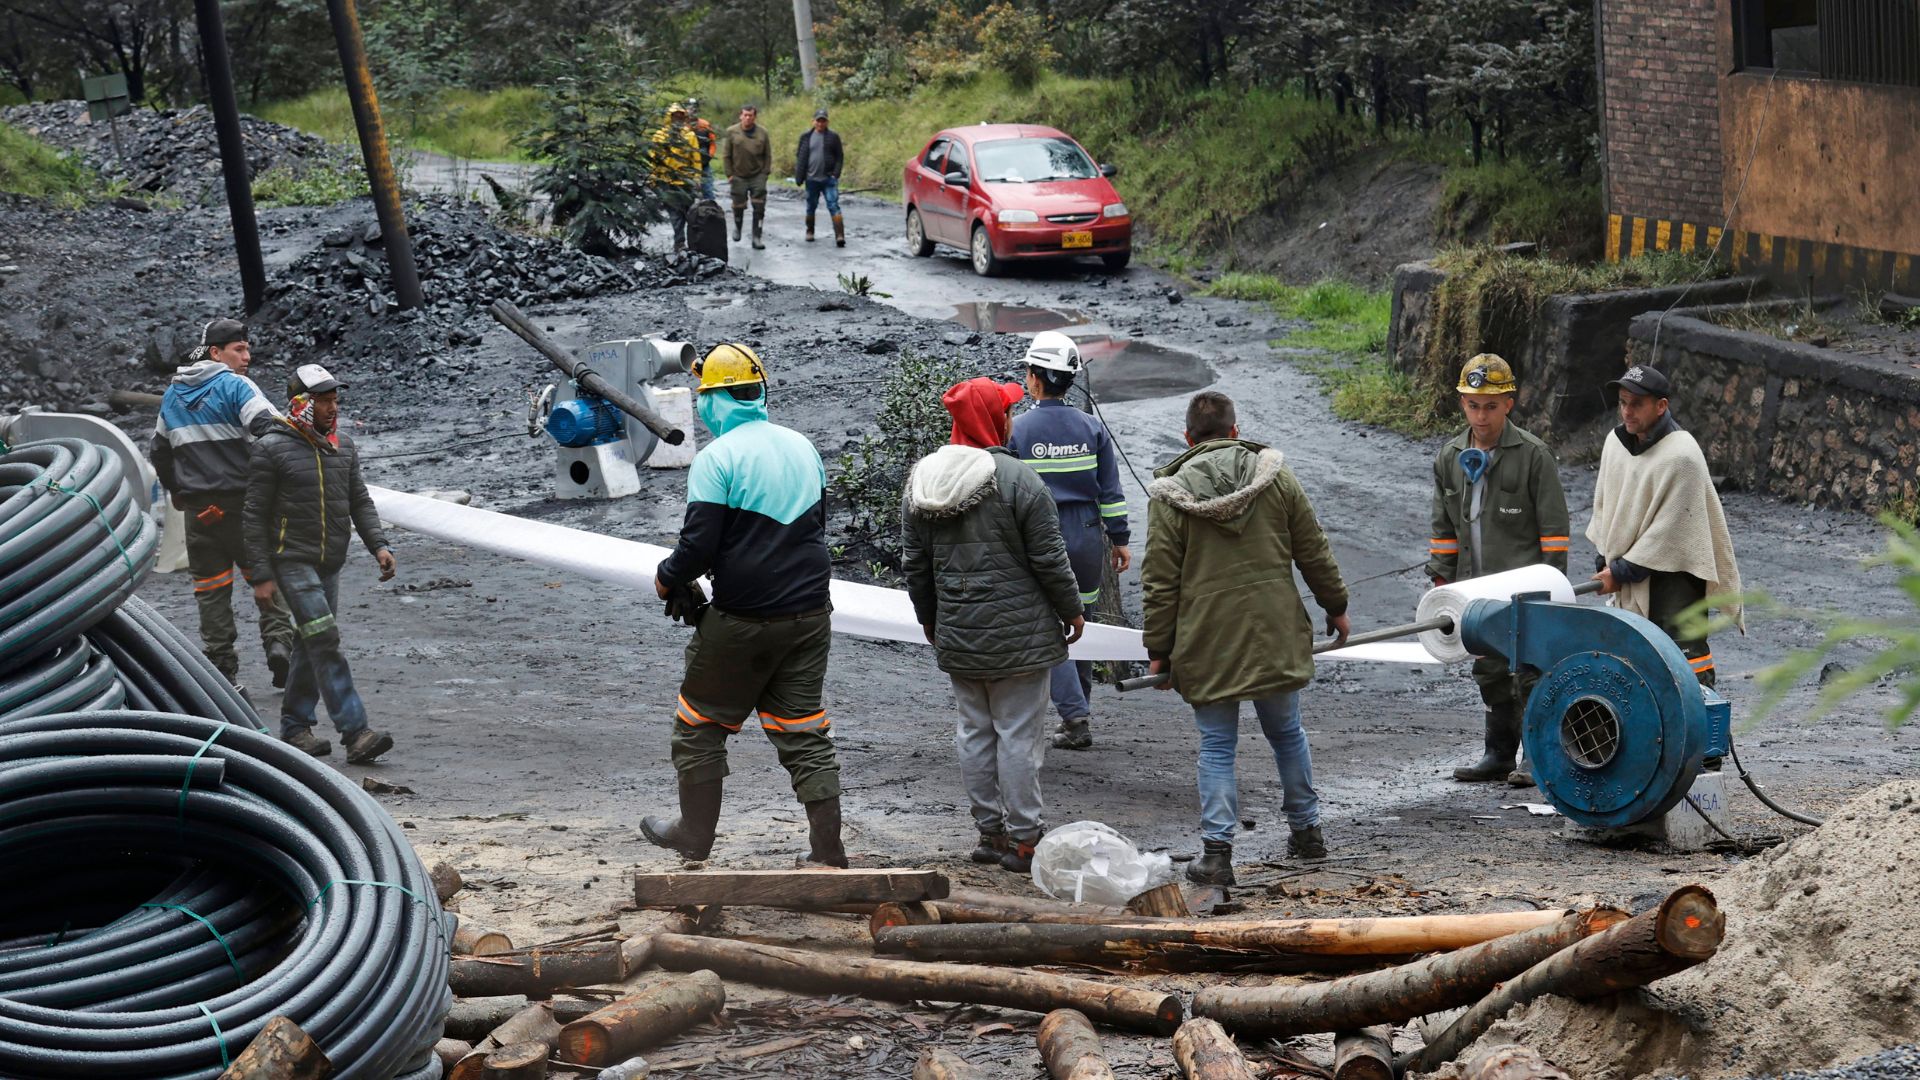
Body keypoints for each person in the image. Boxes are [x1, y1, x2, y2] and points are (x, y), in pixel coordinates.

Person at [643, 344, 846, 867]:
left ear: (714, 399)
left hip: (744, 620)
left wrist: (669, 579)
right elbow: (814, 528)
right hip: (810, 615)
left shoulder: (718, 457)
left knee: (698, 725)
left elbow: (698, 546)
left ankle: (694, 834)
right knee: (803, 730)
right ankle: (827, 850)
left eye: (703, 395)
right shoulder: (803, 447)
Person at [1141, 391, 1349, 886]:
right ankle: (1308, 832)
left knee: (1216, 745)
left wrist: (1158, 652)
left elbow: (1160, 582)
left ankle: (1217, 854)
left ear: (1189, 439)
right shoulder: (1275, 478)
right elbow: (1313, 548)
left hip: (1207, 641)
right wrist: (1335, 606)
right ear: (1235, 432)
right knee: (1287, 733)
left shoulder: (1170, 496)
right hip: (1275, 629)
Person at [903, 377, 1085, 873]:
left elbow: (915, 565)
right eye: (1005, 410)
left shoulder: (923, 480)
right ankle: (1026, 840)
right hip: (1019, 637)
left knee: (974, 732)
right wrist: (1071, 609)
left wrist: (929, 619)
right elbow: (1050, 558)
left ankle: (989, 834)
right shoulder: (1018, 479)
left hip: (959, 632)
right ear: (995, 419)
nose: (1010, 417)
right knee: (1018, 736)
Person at [1426, 354, 1570, 787]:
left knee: (1529, 670)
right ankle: (1499, 752)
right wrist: (1442, 582)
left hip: (1525, 588)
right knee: (1488, 668)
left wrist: (1551, 587)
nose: (1481, 415)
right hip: (1474, 588)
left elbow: (1555, 532)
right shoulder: (1451, 457)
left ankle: (1536, 756)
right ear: (1462, 405)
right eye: (1473, 405)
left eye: (1490, 405)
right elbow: (1444, 530)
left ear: (1509, 403)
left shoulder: (1532, 455)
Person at [243, 364, 396, 764]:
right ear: (300, 403)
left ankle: (295, 727)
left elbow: (359, 500)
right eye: (323, 400)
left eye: (334, 399)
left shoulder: (341, 446)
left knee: (311, 643)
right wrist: (260, 575)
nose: (333, 407)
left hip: (330, 562)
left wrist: (378, 545)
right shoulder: (270, 449)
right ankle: (356, 732)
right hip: (290, 561)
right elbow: (254, 516)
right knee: (324, 638)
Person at [150, 318, 296, 696]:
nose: (247, 357)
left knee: (211, 591)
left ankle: (224, 673)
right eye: (239, 349)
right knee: (266, 577)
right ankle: (280, 648)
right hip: (243, 506)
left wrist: (177, 492)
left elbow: (159, 452)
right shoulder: (234, 385)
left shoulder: (173, 395)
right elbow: (267, 425)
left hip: (199, 513)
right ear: (216, 353)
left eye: (247, 348)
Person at [1008, 331, 1130, 751]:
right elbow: (1111, 491)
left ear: (1037, 379)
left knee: (1048, 627)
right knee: (1081, 624)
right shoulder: (1092, 428)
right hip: (1086, 539)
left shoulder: (1019, 430)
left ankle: (1074, 717)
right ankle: (1078, 712)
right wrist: (1120, 539)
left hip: (1040, 536)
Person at [1586, 363, 1742, 687]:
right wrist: (1605, 556)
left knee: (1686, 664)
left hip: (1677, 577)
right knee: (1634, 659)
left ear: (1661, 406)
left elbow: (1670, 531)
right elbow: (1605, 504)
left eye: (1637, 404)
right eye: (1623, 402)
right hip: (1628, 567)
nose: (1627, 412)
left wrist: (1621, 572)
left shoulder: (1682, 455)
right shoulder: (1615, 444)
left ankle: (1708, 734)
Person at [652, 102, 703, 253]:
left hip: (685, 181)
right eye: (675, 116)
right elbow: (653, 159)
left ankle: (693, 244)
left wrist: (697, 177)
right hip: (667, 181)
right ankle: (679, 242)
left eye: (681, 116)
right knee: (675, 214)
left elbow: (696, 158)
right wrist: (654, 178)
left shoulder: (690, 135)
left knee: (689, 213)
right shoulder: (660, 136)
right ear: (669, 117)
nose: (678, 119)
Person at [792, 107, 845, 247]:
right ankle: (810, 231)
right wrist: (799, 176)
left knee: (833, 205)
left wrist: (836, 173)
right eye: (818, 121)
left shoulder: (833, 137)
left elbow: (840, 157)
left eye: (823, 121)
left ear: (827, 122)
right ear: (813, 121)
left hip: (829, 179)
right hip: (811, 179)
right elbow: (800, 157)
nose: (820, 123)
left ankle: (840, 235)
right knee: (811, 206)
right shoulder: (805, 137)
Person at [723, 103, 772, 250]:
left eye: (750, 115)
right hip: (738, 175)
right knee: (738, 204)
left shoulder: (763, 132)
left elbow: (767, 154)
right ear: (741, 116)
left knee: (759, 206)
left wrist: (765, 173)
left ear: (754, 117)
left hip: (757, 174)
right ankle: (737, 227)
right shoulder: (732, 132)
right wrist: (729, 174)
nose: (748, 118)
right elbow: (726, 155)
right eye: (745, 115)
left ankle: (757, 237)